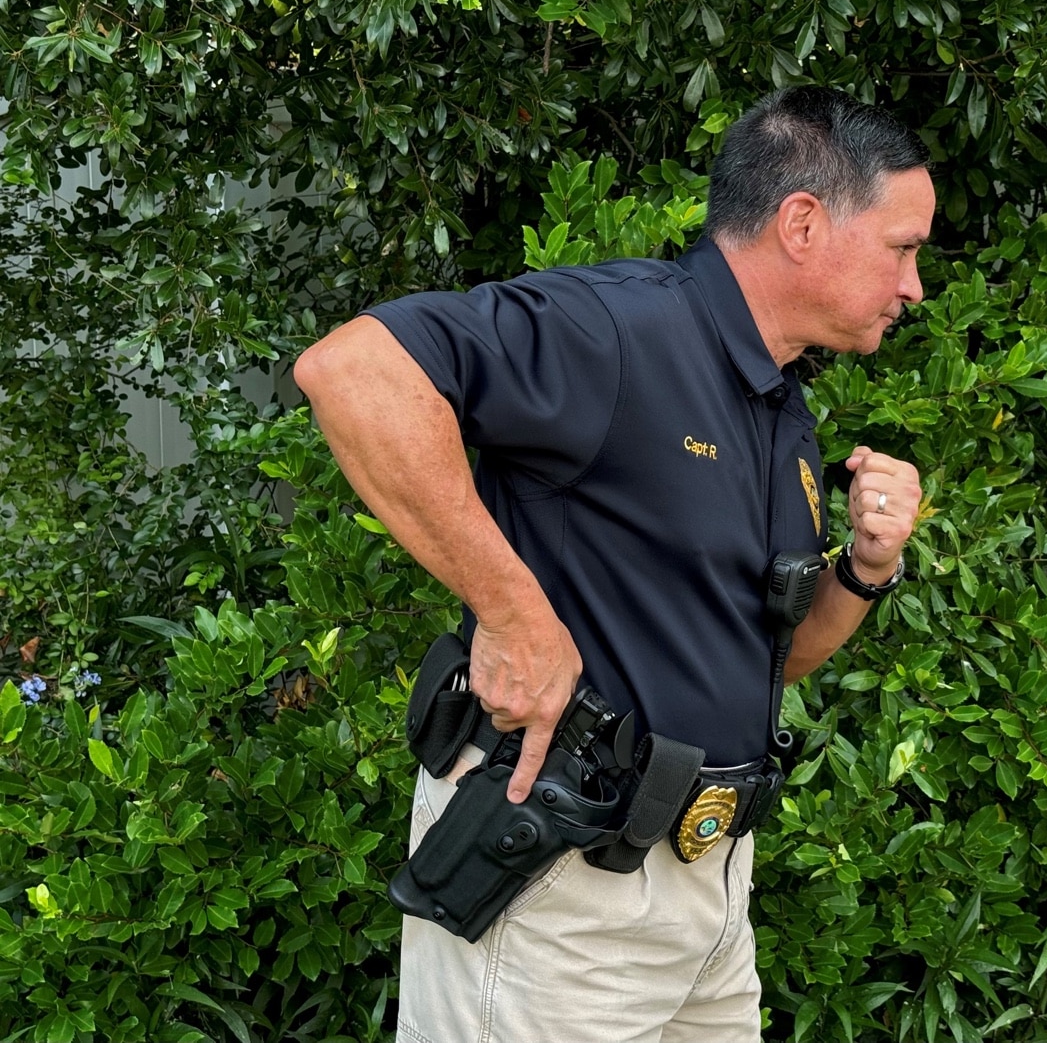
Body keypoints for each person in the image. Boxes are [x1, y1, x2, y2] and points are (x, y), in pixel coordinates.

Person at [293, 85, 936, 1043]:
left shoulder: (781, 409)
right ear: (803, 222)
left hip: (709, 898)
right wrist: (511, 611)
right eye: (903, 248)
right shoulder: (621, 334)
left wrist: (864, 570)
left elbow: (772, 658)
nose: (913, 286)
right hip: (559, 890)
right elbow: (353, 370)